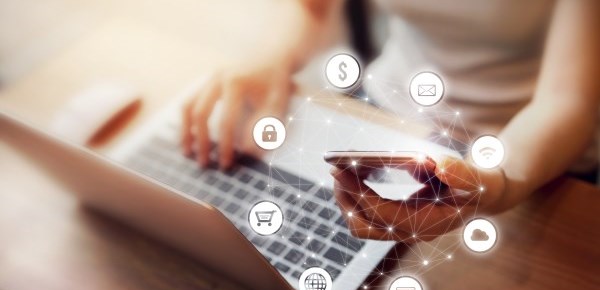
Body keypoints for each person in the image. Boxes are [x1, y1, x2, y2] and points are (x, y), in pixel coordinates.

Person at [180, 0, 600, 242]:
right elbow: (313, 7)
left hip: (537, 157)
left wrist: (498, 184)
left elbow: (567, 101)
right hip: (388, 108)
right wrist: (271, 56)